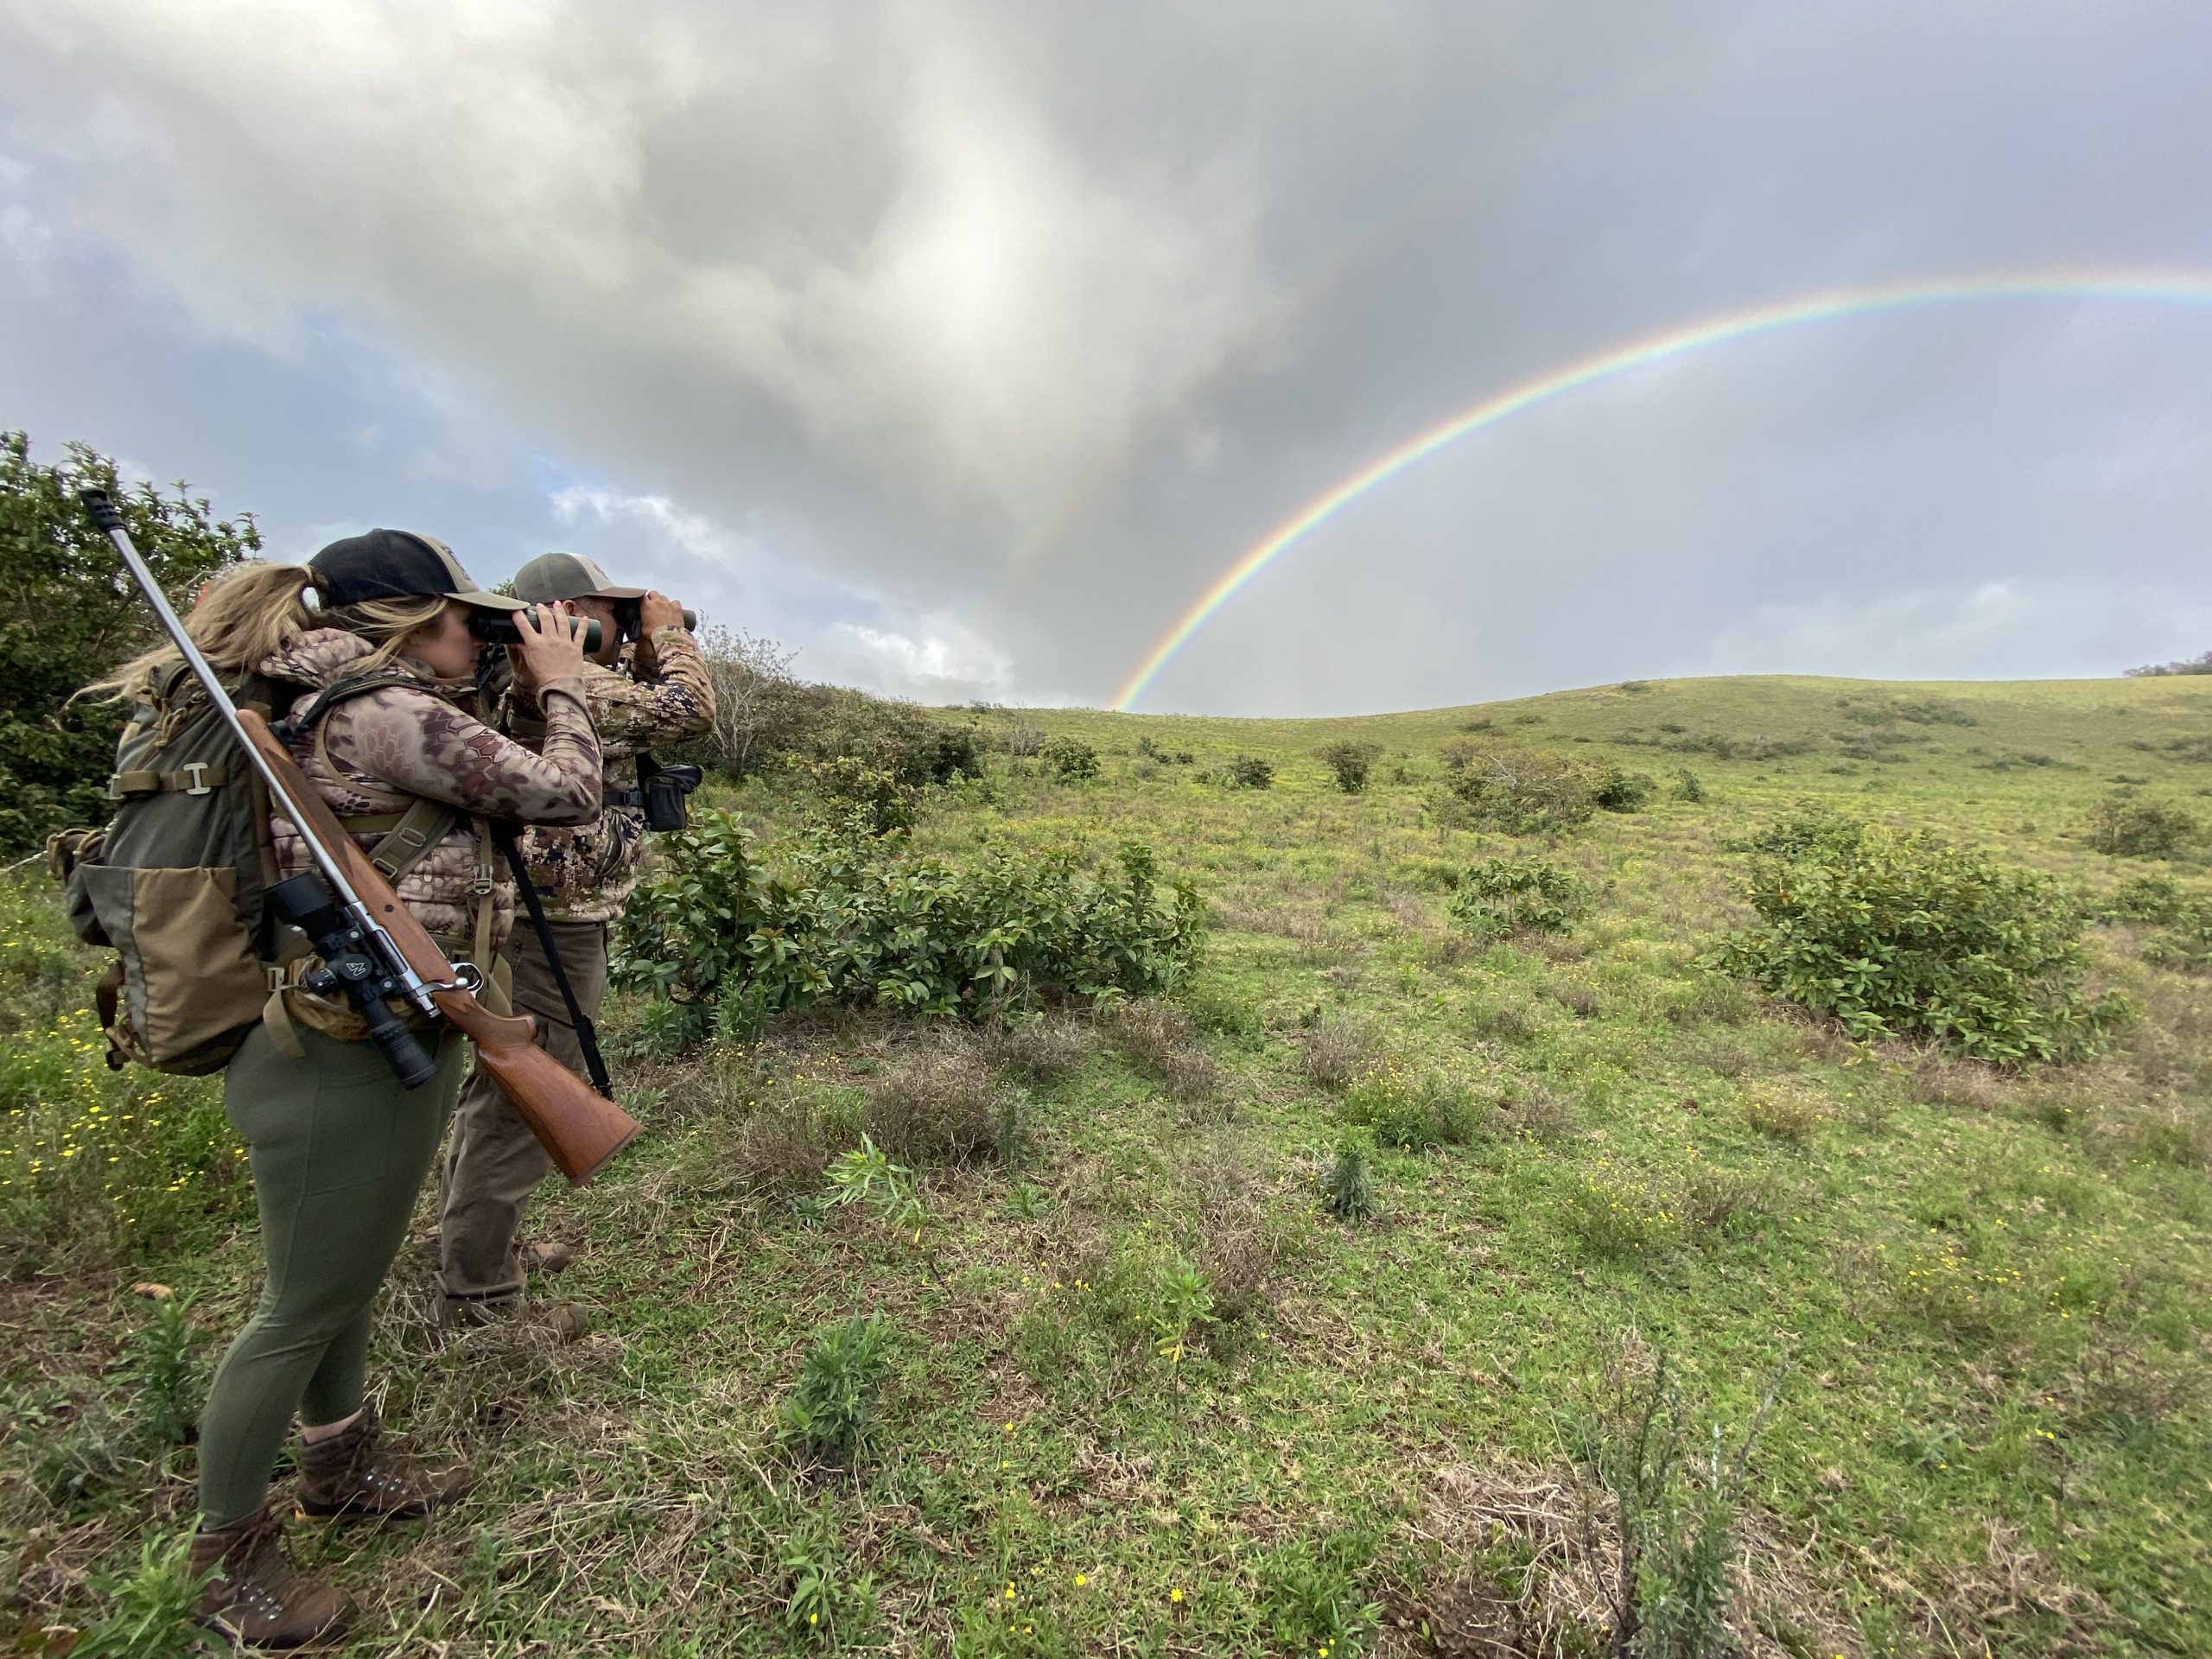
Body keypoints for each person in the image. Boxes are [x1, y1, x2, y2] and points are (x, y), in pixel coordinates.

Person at [92, 531, 602, 1648]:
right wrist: (562, 689)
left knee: (343, 1278)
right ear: (409, 620)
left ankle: (341, 1459)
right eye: (468, 619)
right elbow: (564, 793)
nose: (487, 634)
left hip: (370, 1039)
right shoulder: (379, 710)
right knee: (298, 1311)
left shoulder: (343, 702)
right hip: (343, 1057)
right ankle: (228, 1553)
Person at [437, 553, 712, 1324]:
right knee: (528, 1092)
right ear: (570, 609)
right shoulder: (561, 679)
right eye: (616, 610)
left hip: (540, 912)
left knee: (502, 1084)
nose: (630, 624)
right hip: (546, 920)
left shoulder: (544, 677)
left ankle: (473, 1247)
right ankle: (480, 1291)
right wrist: (669, 637)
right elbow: (688, 709)